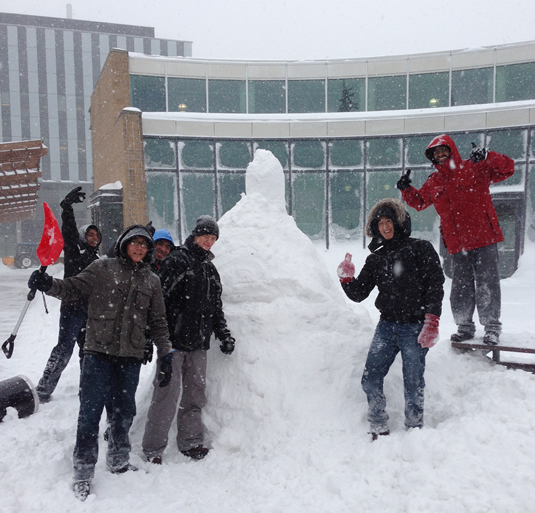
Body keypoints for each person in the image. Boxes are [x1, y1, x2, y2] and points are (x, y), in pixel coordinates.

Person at [28, 225, 174, 501]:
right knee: (90, 413)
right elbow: (72, 288)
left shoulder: (151, 281)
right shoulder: (102, 268)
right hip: (98, 353)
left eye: (144, 245)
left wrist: (165, 354)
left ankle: (118, 460)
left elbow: (158, 322)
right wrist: (48, 285)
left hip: (129, 357)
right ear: (124, 244)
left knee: (123, 412)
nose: (139, 248)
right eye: (135, 243)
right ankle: (83, 470)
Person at [337, 198, 444, 439]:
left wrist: (432, 321)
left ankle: (415, 428)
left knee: (413, 381)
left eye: (389, 221)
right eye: (380, 223)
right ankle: (378, 425)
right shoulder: (376, 258)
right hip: (386, 326)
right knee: (370, 379)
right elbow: (358, 293)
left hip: (415, 327)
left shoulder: (420, 248)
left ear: (399, 222)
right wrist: (346, 279)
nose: (385, 227)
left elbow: (435, 286)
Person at [397, 134, 514, 345]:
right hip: (457, 244)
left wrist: (488, 157)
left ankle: (491, 327)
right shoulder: (435, 181)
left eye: (443, 151)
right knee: (461, 286)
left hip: (484, 237)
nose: (440, 155)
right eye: (436, 153)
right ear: (432, 158)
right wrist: (406, 189)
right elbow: (420, 202)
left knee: (487, 284)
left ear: (452, 151)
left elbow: (507, 168)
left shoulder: (474, 167)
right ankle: (465, 326)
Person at [142, 215, 235, 464]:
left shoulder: (209, 269)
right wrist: (151, 337)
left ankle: (191, 442)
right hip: (172, 344)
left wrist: (224, 334)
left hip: (199, 345)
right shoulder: (177, 261)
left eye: (214, 238)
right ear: (195, 234)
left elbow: (216, 308)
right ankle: (153, 449)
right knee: (166, 396)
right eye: (206, 235)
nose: (209, 241)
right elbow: (158, 302)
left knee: (194, 396)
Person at [36, 186, 101, 404]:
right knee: (64, 349)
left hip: (91, 313)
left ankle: (87, 387)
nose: (93, 238)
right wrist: (67, 208)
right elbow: (70, 233)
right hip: (72, 309)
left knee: (88, 351)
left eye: (96, 235)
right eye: (89, 235)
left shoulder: (99, 260)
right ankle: (44, 389)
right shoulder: (75, 253)